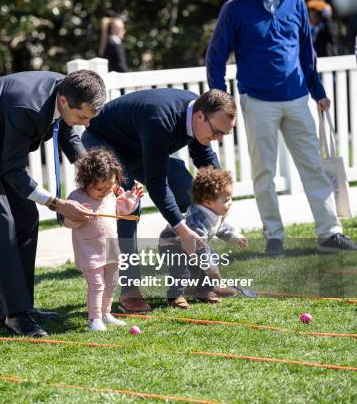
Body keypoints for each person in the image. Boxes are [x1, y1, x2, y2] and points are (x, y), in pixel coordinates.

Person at [0, 69, 106, 337]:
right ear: (64, 102)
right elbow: (13, 169)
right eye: (83, 117)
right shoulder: (28, 107)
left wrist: (96, 176)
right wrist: (56, 203)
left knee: (26, 218)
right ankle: (16, 316)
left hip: (4, 148)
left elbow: (67, 134)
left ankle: (21, 306)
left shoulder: (69, 90)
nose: (86, 124)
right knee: (2, 225)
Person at [206, 0, 357, 257]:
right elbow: (216, 55)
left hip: (298, 98)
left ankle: (329, 233)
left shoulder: (297, 2)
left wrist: (317, 91)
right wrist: (220, 102)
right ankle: (274, 237)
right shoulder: (235, 7)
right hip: (257, 100)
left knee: (314, 166)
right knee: (264, 172)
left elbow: (306, 52)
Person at [82, 88, 237, 313]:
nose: (219, 139)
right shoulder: (160, 119)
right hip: (108, 144)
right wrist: (182, 230)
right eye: (216, 132)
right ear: (201, 116)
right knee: (129, 209)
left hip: (145, 145)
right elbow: (157, 184)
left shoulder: (198, 117)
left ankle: (198, 282)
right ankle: (130, 289)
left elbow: (204, 158)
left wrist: (222, 196)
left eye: (225, 134)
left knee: (189, 193)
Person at [63, 149, 143, 331]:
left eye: (110, 187)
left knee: (111, 282)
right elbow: (66, 222)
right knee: (97, 285)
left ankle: (106, 313)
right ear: (86, 181)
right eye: (100, 188)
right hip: (89, 251)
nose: (105, 192)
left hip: (110, 249)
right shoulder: (76, 198)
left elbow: (120, 209)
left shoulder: (109, 195)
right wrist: (77, 216)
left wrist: (132, 197)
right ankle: (94, 319)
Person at [159, 167, 248, 309]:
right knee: (182, 270)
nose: (230, 203)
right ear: (208, 202)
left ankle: (204, 291)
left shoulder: (213, 212)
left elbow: (220, 228)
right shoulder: (197, 220)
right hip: (172, 245)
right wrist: (213, 272)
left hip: (191, 246)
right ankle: (175, 296)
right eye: (226, 200)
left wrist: (235, 237)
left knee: (204, 264)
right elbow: (201, 250)